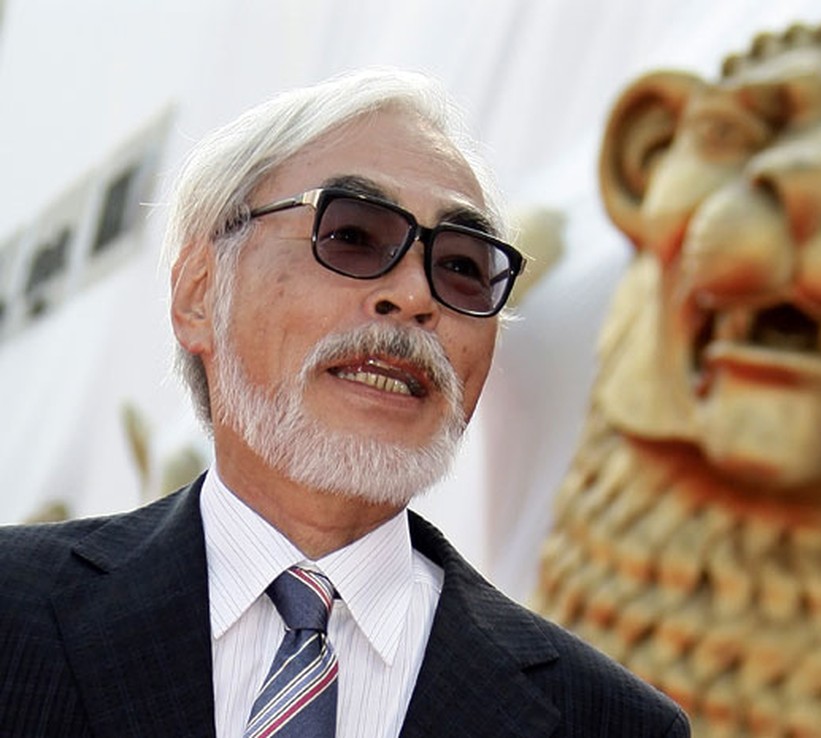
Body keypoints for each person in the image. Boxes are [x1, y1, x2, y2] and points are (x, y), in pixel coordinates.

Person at [0, 68, 690, 738]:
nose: (415, 295)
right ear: (199, 295)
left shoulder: (606, 720)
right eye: (353, 236)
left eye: (461, 266)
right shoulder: (17, 610)